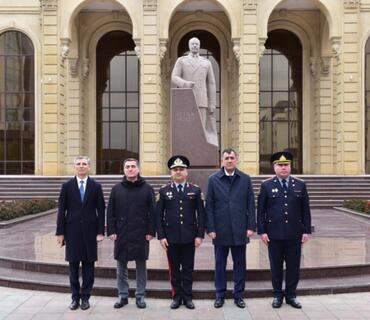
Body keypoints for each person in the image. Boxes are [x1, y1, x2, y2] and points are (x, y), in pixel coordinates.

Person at [257, 151, 311, 309]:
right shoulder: (266, 185)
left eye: (286, 165)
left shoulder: (300, 185)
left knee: (294, 266)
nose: (283, 168)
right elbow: (261, 211)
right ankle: (277, 295)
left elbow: (305, 210)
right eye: (280, 165)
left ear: (290, 166)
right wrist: (262, 231)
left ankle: (291, 295)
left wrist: (306, 231)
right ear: (274, 167)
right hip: (274, 234)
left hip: (295, 234)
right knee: (276, 266)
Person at [205, 148, 256, 309]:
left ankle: (239, 295)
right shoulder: (213, 180)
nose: (229, 160)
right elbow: (209, 206)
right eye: (226, 158)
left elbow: (250, 204)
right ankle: (220, 294)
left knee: (240, 264)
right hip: (220, 230)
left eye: (232, 157)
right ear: (222, 160)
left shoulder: (245, 179)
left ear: (236, 160)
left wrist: (250, 226)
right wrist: (210, 228)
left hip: (240, 229)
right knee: (220, 264)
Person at [56, 156, 105, 311]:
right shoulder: (67, 186)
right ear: (74, 167)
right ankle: (75, 298)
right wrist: (60, 232)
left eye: (84, 164)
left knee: (89, 267)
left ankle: (85, 298)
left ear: (89, 167)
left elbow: (102, 210)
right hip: (72, 232)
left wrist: (100, 232)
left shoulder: (96, 186)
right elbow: (61, 211)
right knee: (73, 267)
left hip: (91, 233)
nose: (81, 166)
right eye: (78, 164)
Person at [156, 155, 205, 309]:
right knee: (175, 269)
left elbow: (201, 215)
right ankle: (176, 297)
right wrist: (161, 236)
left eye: (181, 169)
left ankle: (188, 297)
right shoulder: (164, 191)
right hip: (171, 238)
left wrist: (199, 235)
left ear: (186, 172)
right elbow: (158, 216)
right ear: (171, 172)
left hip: (190, 237)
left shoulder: (195, 190)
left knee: (188, 269)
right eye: (175, 169)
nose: (178, 172)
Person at [106, 158, 156, 309]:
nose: (130, 169)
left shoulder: (147, 188)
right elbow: (110, 212)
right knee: (121, 265)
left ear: (138, 169)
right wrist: (112, 230)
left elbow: (153, 212)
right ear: (123, 170)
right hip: (122, 232)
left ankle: (140, 296)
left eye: (133, 166)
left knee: (141, 265)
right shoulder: (117, 189)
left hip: (141, 233)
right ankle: (123, 295)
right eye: (127, 167)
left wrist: (150, 231)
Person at [171, 37, 218, 147]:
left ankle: (200, 147)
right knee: (186, 127)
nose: (195, 46)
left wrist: (212, 103)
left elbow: (211, 83)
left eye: (197, 44)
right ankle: (186, 146)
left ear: (199, 46)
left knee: (201, 128)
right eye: (192, 44)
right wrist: (184, 83)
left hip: (201, 99)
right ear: (189, 46)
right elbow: (174, 77)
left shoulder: (206, 63)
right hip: (186, 99)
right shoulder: (181, 61)